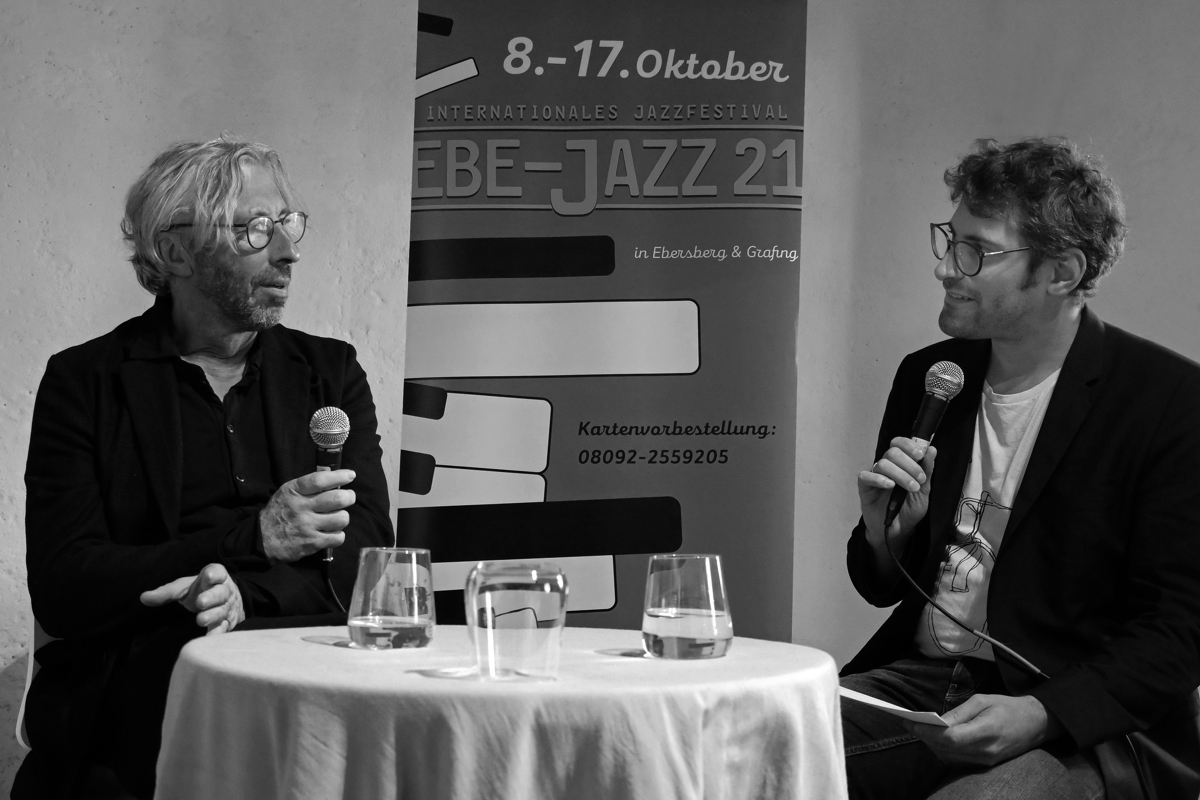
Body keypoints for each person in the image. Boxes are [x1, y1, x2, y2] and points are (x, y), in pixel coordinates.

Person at [13, 136, 394, 799]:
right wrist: (246, 542)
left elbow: (367, 556)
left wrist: (247, 593)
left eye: (287, 223)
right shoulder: (87, 382)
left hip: (310, 674)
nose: (287, 251)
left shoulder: (329, 373)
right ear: (176, 252)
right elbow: (65, 584)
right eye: (255, 228)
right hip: (146, 688)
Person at [841, 137, 1200, 800]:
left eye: (977, 251)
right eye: (951, 240)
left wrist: (1040, 713)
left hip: (1079, 717)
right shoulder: (932, 375)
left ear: (1061, 272)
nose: (946, 267)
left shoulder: (1169, 402)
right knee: (745, 743)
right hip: (922, 684)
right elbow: (882, 584)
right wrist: (884, 536)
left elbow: (1178, 630)